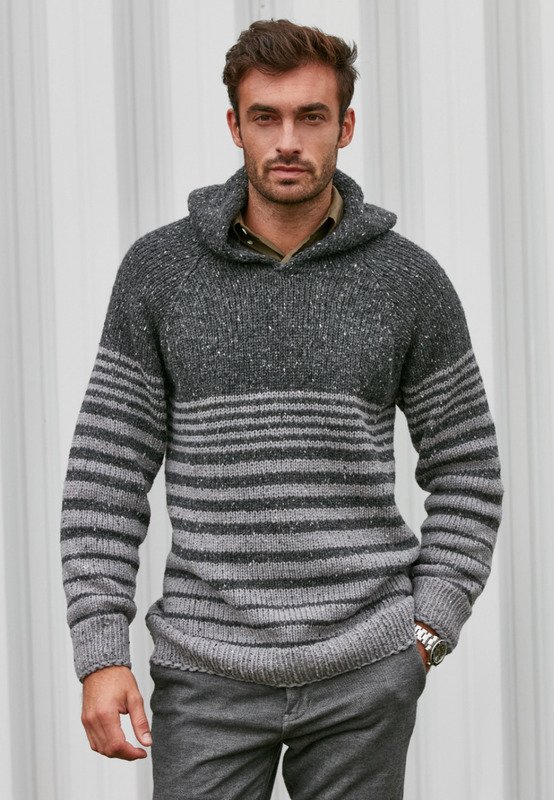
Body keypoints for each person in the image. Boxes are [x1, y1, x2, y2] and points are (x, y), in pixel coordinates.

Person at [60, 18, 504, 799]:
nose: (288, 140)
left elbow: (468, 470)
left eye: (311, 116)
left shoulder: (408, 282)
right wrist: (101, 654)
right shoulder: (159, 273)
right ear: (235, 126)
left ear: (346, 126)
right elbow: (106, 476)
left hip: (365, 675)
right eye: (266, 117)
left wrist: (427, 633)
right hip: (205, 674)